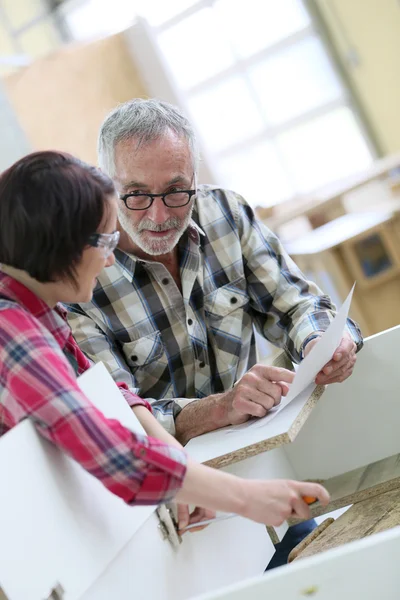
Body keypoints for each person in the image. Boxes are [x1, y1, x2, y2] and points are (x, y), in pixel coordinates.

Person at [67, 99, 362, 563]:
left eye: (176, 191)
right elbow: (118, 416)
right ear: (106, 186)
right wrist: (217, 409)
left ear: (196, 179)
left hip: (263, 470)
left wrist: (321, 342)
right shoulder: (78, 278)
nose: (159, 215)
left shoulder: (225, 213)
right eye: (137, 194)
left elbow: (297, 303)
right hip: (176, 519)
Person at [0, 150, 329, 543]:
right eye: (105, 241)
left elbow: (110, 393)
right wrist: (247, 498)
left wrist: (182, 466)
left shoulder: (36, 308)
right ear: (62, 243)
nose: (109, 261)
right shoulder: (11, 331)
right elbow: (113, 454)